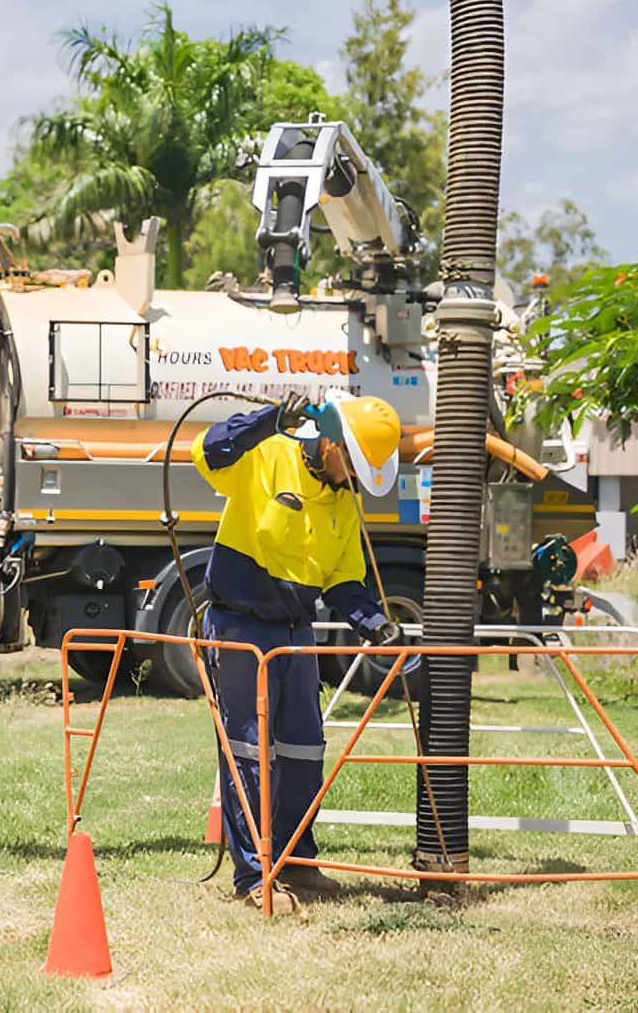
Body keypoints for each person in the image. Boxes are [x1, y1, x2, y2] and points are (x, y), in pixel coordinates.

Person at [190, 390, 403, 913]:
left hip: (295, 631)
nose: (355, 475)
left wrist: (374, 623)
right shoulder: (269, 453)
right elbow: (206, 451)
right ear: (330, 441)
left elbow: (345, 580)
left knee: (305, 749)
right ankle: (254, 876)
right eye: (353, 461)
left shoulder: (341, 503)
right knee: (248, 752)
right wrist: (266, 422)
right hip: (240, 625)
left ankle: (298, 861)